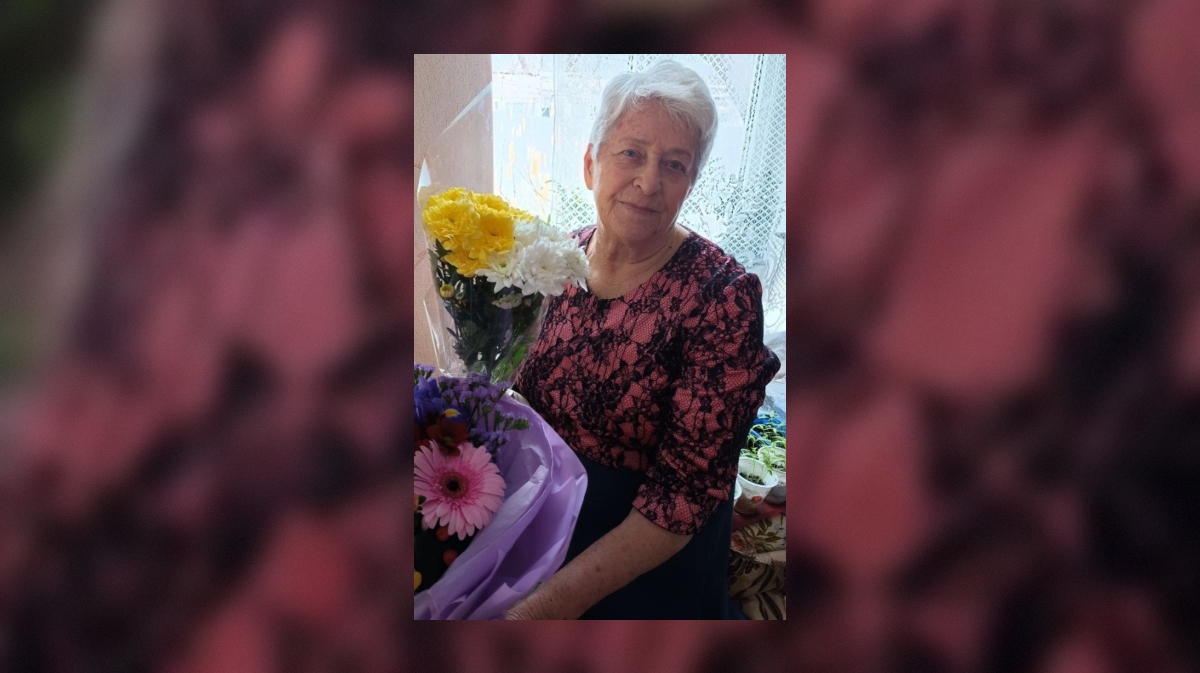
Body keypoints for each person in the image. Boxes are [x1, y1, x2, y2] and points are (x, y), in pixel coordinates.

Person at [506, 60, 780, 619]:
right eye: (631, 152)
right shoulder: (554, 258)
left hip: (642, 555)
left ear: (690, 183)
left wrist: (541, 608)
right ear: (591, 163)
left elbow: (682, 497)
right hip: (536, 517)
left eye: (674, 164)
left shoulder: (722, 297)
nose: (649, 182)